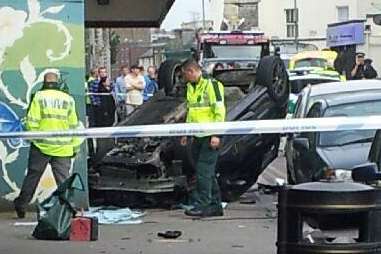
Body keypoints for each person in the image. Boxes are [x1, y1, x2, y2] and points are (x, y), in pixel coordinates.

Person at [14, 72, 82, 218]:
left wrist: (35, 139)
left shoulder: (39, 97)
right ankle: (70, 209)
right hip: (63, 147)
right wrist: (74, 147)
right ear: (57, 82)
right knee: (64, 181)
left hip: (41, 145)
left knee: (32, 177)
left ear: (44, 82)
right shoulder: (68, 99)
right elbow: (74, 125)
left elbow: (32, 122)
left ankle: (21, 205)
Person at [180, 60, 226, 217]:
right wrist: (186, 132)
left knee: (203, 172)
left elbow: (219, 110)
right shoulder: (190, 87)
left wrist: (216, 134)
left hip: (209, 135)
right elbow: (191, 111)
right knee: (207, 172)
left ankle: (203, 205)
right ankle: (215, 205)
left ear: (192, 71)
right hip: (198, 135)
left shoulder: (211, 85)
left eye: (185, 74)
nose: (184, 78)